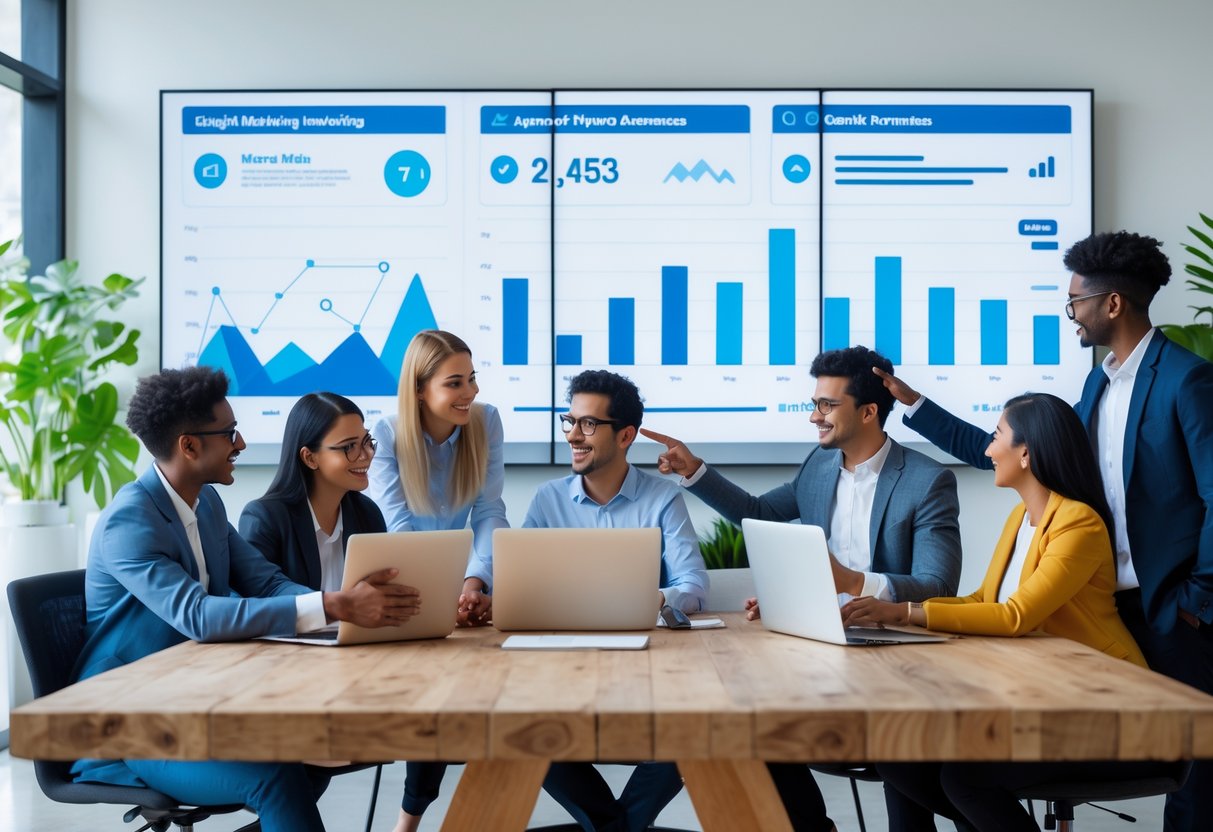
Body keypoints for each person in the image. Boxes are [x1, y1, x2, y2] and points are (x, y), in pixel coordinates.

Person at [877, 231, 1213, 831]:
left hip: (1172, 607)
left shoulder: (1187, 380)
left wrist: (1198, 598)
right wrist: (916, 405)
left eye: (1076, 301)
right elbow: (1024, 454)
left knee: (1195, 774)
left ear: (1112, 303)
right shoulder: (1097, 385)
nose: (1072, 313)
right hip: (1106, 602)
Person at [71, 367, 419, 832]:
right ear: (189, 446)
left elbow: (267, 582)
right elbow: (198, 615)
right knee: (276, 776)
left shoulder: (207, 505)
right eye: (229, 433)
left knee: (309, 761)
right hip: (135, 721)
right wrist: (334, 606)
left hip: (199, 699)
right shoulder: (129, 521)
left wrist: (340, 608)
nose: (241, 443)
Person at [641, 345, 962, 832]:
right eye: (815, 404)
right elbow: (762, 513)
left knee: (898, 755)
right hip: (822, 647)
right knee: (747, 718)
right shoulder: (819, 466)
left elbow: (937, 586)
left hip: (897, 655)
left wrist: (853, 583)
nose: (815, 416)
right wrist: (694, 471)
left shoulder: (926, 480)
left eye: (827, 405)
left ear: (868, 412)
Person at [841, 392, 1155, 831]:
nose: (988, 450)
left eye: (996, 436)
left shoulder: (1078, 524)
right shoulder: (1019, 519)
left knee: (968, 779)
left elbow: (1014, 616)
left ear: (1026, 453)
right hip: (1045, 698)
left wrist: (908, 614)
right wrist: (894, 611)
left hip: (1107, 709)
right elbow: (983, 601)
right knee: (901, 757)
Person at [524, 369, 708, 831]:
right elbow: (520, 585)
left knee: (699, 732)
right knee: (519, 732)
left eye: (588, 424)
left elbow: (693, 584)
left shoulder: (662, 499)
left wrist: (646, 598)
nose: (573, 435)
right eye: (570, 421)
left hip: (648, 675)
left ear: (625, 436)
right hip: (560, 675)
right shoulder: (547, 501)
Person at [365, 329, 509, 832]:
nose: (470, 391)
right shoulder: (386, 435)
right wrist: (439, 593)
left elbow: (489, 512)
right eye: (455, 383)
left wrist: (474, 582)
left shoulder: (485, 422)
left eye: (472, 378)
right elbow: (395, 525)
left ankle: (430, 819)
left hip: (463, 589)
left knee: (487, 694)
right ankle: (410, 820)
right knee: (437, 700)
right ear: (419, 389)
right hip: (406, 587)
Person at [239, 392, 385, 592]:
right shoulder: (265, 519)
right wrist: (331, 605)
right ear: (309, 458)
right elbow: (259, 598)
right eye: (350, 446)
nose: (367, 454)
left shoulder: (367, 513)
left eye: (367, 441)